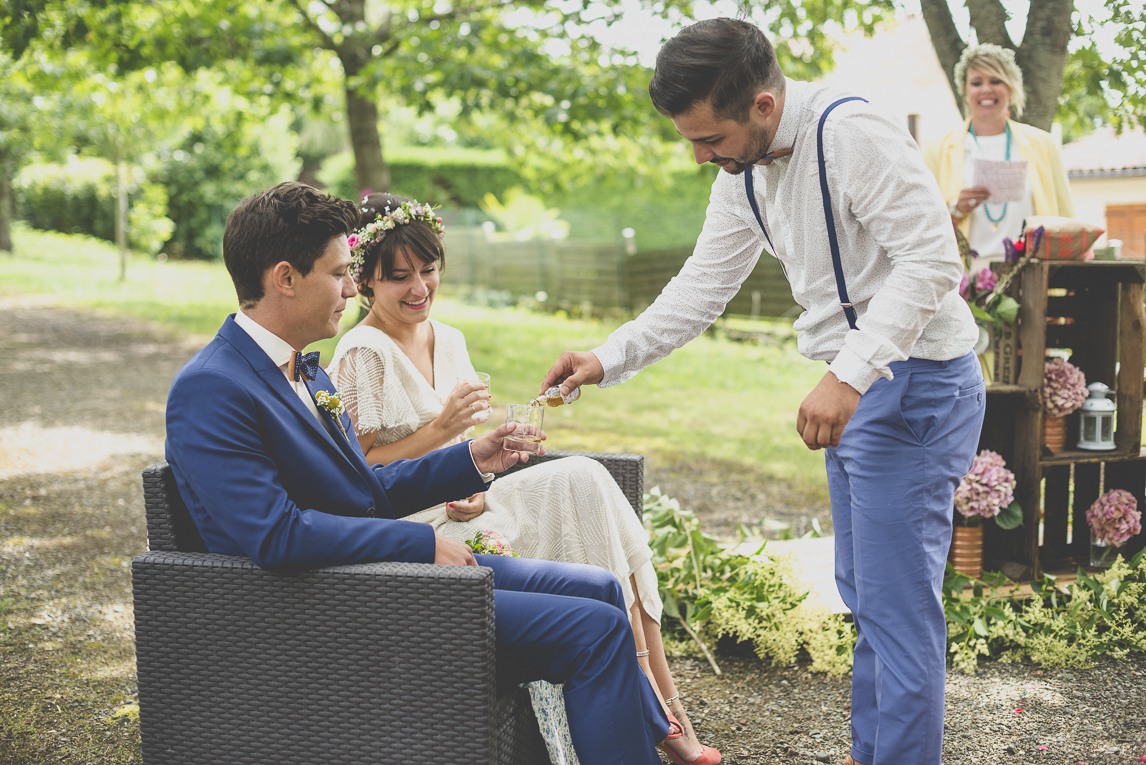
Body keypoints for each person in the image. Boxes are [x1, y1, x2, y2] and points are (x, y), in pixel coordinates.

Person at [540, 19, 986, 765]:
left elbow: (934, 258)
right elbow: (701, 286)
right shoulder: (741, 171)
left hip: (914, 386)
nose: (698, 155)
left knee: (898, 610)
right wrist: (607, 357)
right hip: (862, 391)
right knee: (866, 596)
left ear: (763, 106)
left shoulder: (852, 135)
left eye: (708, 138)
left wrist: (848, 374)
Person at [163, 181, 672, 765]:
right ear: (285, 278)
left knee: (600, 589)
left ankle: (641, 737)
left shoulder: (305, 371)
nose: (352, 287)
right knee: (593, 630)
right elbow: (275, 536)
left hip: (375, 575)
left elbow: (363, 489)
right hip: (329, 608)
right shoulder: (213, 388)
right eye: (338, 273)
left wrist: (473, 461)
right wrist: (421, 543)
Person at [327, 192, 719, 765]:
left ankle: (664, 700)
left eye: (428, 271)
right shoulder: (362, 352)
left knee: (584, 480)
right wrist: (442, 434)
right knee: (579, 498)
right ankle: (659, 718)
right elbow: (358, 477)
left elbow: (462, 453)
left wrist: (479, 473)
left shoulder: (450, 338)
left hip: (464, 505)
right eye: (398, 278)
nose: (419, 290)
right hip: (414, 526)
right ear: (364, 281)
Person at [924, 43, 1074, 262]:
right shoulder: (936, 149)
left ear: (1011, 88)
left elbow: (1066, 217)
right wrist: (955, 208)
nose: (986, 89)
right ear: (964, 91)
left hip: (1032, 274)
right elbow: (921, 222)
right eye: (976, 83)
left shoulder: (1044, 144)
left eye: (995, 81)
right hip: (963, 279)